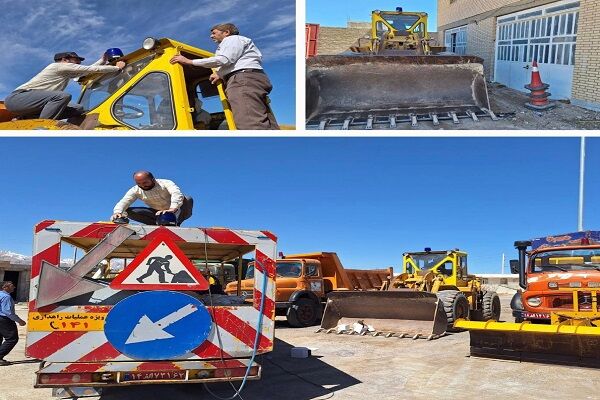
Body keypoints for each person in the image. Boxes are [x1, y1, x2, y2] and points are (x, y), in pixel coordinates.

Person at [169, 23, 279, 130]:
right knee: (267, 123)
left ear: (226, 32)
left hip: (242, 79)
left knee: (249, 123)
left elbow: (224, 59)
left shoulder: (232, 39)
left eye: (214, 33)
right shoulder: (238, 42)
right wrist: (220, 74)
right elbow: (233, 62)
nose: (211, 36)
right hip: (250, 77)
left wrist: (189, 61)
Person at [4, 51, 126, 120]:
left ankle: (25, 118)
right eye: (76, 60)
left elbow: (84, 72)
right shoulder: (57, 66)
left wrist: (102, 61)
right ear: (65, 59)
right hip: (17, 99)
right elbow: (89, 69)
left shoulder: (65, 72)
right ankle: (41, 125)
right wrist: (116, 68)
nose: (79, 62)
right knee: (62, 96)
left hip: (32, 103)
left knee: (78, 109)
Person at [112, 171, 193, 226]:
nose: (142, 185)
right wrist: (117, 212)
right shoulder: (135, 190)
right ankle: (158, 224)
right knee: (127, 211)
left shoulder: (166, 183)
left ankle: (175, 223)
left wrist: (173, 208)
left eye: (145, 182)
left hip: (176, 212)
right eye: (139, 183)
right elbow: (124, 201)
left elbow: (176, 193)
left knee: (187, 198)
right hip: (157, 214)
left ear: (153, 179)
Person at [0, 281, 26, 366]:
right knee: (12, 339)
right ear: (5, 287)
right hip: (5, 320)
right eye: (11, 286)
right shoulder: (6, 297)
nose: (14, 287)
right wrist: (19, 320)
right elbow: (7, 312)